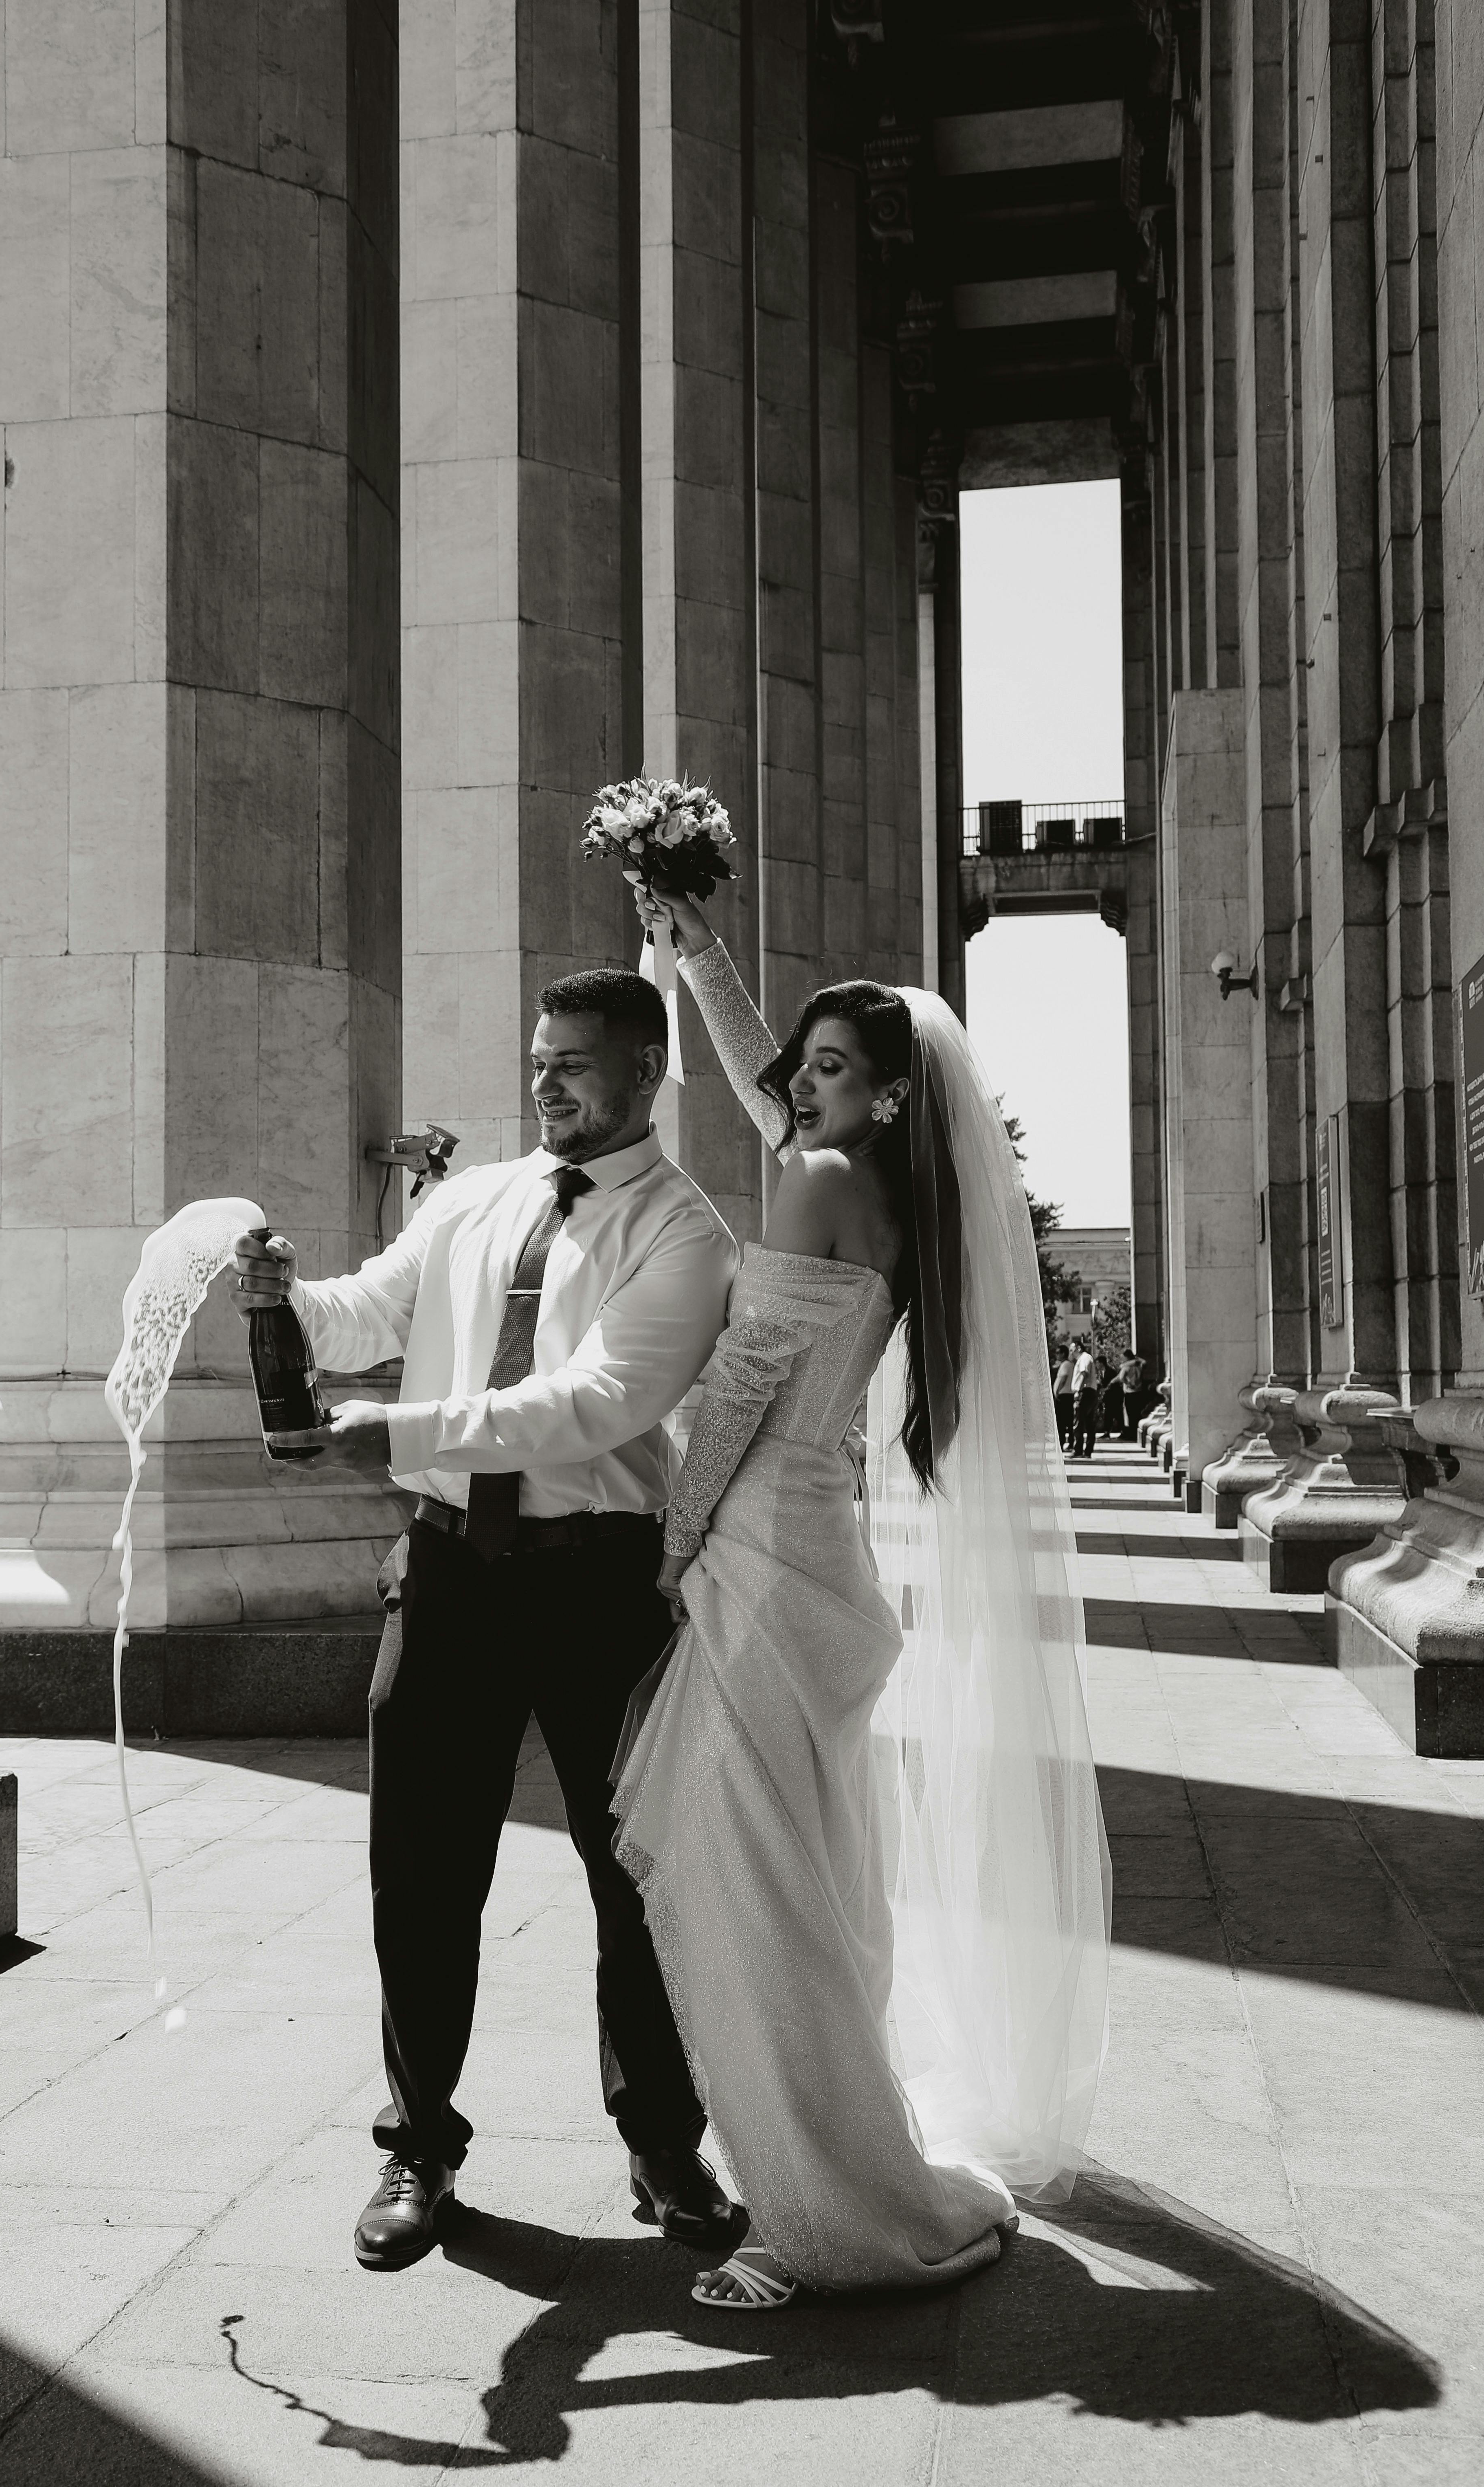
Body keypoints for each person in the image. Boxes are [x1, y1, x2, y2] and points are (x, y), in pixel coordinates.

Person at [616, 882, 1111, 2311]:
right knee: (800, 1877)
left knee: (754, 1884)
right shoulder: (891, 1196)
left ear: (892, 1096)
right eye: (809, 1067)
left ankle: (823, 2213)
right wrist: (694, 941)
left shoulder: (823, 1181)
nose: (804, 1086)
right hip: (817, 1552)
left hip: (763, 1554)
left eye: (836, 1070)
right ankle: (821, 2159)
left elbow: (750, 1382)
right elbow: (759, 1067)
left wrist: (673, 1535)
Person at [232, 969, 743, 2274]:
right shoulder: (470, 1199)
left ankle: (663, 2141)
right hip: (450, 1570)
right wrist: (276, 1293)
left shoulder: (687, 1236)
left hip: (600, 1582)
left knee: (635, 1879)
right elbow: (368, 1310)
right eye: (538, 1057)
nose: (546, 1081)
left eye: (574, 1061)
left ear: (644, 1073)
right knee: (421, 1870)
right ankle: (420, 2146)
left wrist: (397, 1431)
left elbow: (596, 1400)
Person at [1070, 1343, 1099, 1459]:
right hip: (1089, 1392)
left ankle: (1078, 1450)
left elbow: (1084, 1373)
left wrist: (1078, 1390)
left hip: (1085, 1392)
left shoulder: (1084, 1358)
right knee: (1089, 1422)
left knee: (1079, 1422)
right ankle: (1087, 1452)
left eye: (1072, 1350)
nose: (1071, 1353)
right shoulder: (1085, 1358)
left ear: (1079, 1348)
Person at [1119, 1349, 1147, 1441]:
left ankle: (1132, 1435)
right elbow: (1144, 1362)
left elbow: (1122, 1377)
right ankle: (1138, 1434)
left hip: (1130, 1392)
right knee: (1138, 1413)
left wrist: (1128, 1384)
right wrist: (1136, 1359)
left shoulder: (1126, 1366)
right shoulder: (1140, 1365)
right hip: (1140, 1391)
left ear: (1127, 1357)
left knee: (1131, 1415)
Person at [1052, 1347, 1077, 1449]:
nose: (1057, 1355)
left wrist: (1058, 1390)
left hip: (1064, 1395)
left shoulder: (1066, 1364)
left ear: (1063, 1354)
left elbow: (1064, 1378)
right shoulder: (1069, 1364)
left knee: (1061, 1421)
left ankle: (1062, 1443)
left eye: (1058, 1353)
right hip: (1067, 1395)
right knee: (1068, 1421)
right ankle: (1070, 1442)